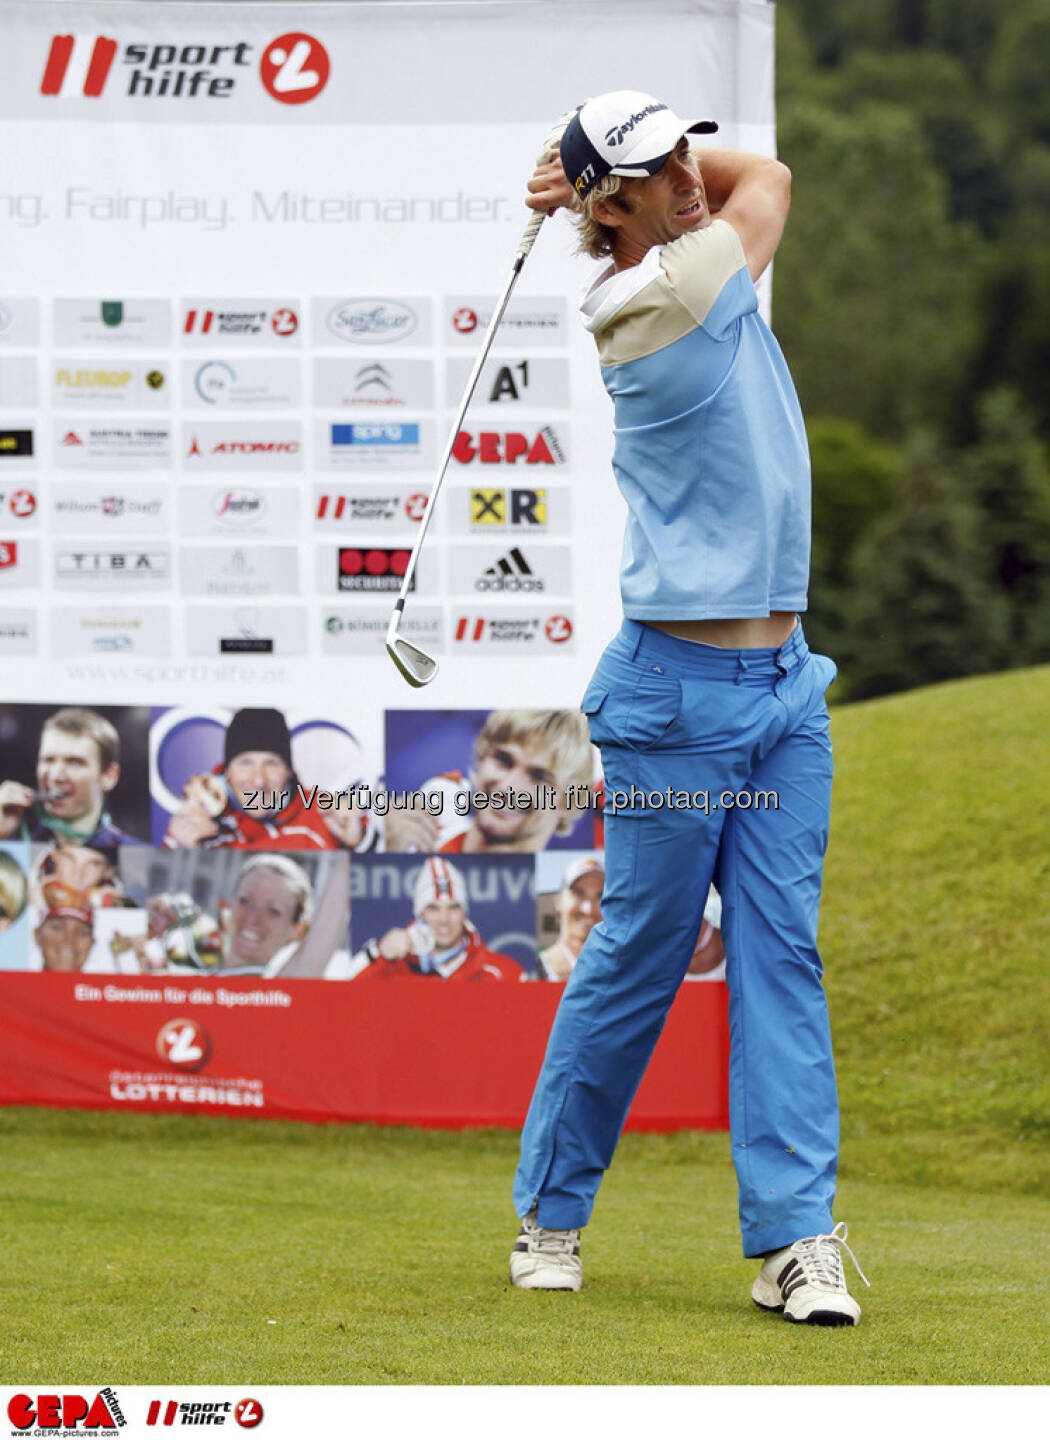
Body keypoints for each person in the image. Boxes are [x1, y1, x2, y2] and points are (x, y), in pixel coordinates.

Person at [508, 92, 868, 1325]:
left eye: (681, 156)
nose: (690, 181)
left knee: (783, 955)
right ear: (613, 207)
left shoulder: (677, 253)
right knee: (644, 954)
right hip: (677, 699)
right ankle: (550, 1214)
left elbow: (725, 178)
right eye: (658, 173)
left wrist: (591, 170)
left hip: (784, 688)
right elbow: (768, 172)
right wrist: (593, 175)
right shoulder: (664, 295)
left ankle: (797, 1239)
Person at [383, 709, 593, 855]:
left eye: (538, 777)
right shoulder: (408, 843)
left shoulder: (561, 896)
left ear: (569, 802)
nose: (508, 787)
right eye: (503, 760)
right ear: (480, 759)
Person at [114, 852, 350, 978]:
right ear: (228, 906)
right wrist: (137, 930)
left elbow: (331, 918)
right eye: (245, 901)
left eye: (273, 911)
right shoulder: (183, 976)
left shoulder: (278, 992)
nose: (253, 918)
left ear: (297, 929)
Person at [164, 707, 336, 852]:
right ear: (227, 771)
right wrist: (181, 851)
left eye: (271, 763)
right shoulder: (195, 817)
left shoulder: (323, 811)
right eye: (245, 763)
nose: (259, 781)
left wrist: (358, 842)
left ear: (289, 771)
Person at [352, 857, 520, 981]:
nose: (444, 919)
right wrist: (381, 954)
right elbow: (340, 1003)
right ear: (420, 914)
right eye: (433, 908)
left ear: (464, 913)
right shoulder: (387, 961)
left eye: (453, 907)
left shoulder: (503, 973)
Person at [0, 707, 143, 847]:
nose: (56, 776)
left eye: (74, 763)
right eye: (48, 760)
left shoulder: (136, 856)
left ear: (109, 776)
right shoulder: (10, 845)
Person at [536, 856, 604, 980]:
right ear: (558, 901)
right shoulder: (538, 968)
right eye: (578, 893)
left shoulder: (623, 971)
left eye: (600, 896)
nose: (588, 909)